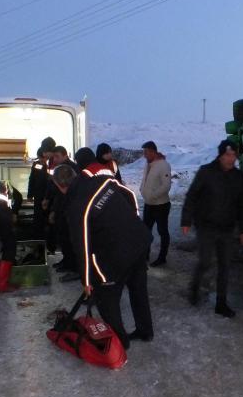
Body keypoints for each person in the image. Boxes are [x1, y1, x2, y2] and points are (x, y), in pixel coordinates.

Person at [61, 150, 154, 348]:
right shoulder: (102, 181)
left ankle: (121, 342)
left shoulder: (76, 203)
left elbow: (81, 244)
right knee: (138, 290)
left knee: (107, 298)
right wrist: (132, 219)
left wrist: (86, 281)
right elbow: (129, 194)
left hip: (117, 253)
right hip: (138, 242)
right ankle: (146, 331)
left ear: (60, 186)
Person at [181, 140, 243, 318]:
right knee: (205, 261)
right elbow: (192, 196)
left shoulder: (238, 177)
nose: (231, 159)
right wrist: (186, 220)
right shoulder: (206, 172)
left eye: (234, 155)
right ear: (220, 156)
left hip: (227, 228)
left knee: (225, 266)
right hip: (206, 226)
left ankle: (221, 303)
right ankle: (195, 289)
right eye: (227, 155)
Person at [46, 146, 80, 280]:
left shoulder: (72, 169)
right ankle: (66, 261)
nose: (54, 159)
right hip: (61, 208)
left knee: (70, 239)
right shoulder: (57, 169)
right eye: (54, 157)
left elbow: (70, 194)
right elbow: (57, 192)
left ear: (65, 155)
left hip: (69, 210)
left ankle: (74, 267)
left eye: (57, 156)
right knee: (63, 237)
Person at [139, 140, 172, 267]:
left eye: (146, 152)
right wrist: (142, 190)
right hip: (149, 204)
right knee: (145, 231)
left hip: (161, 205)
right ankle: (145, 254)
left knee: (162, 231)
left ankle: (162, 257)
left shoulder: (163, 165)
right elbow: (145, 180)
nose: (144, 155)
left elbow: (166, 185)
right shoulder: (148, 164)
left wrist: (153, 195)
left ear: (153, 152)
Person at [27, 146, 50, 239]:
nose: (41, 160)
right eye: (39, 158)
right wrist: (29, 194)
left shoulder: (51, 166)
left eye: (42, 158)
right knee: (38, 217)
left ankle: (47, 237)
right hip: (38, 195)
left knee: (47, 217)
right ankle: (37, 237)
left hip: (48, 195)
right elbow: (32, 179)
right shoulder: (37, 164)